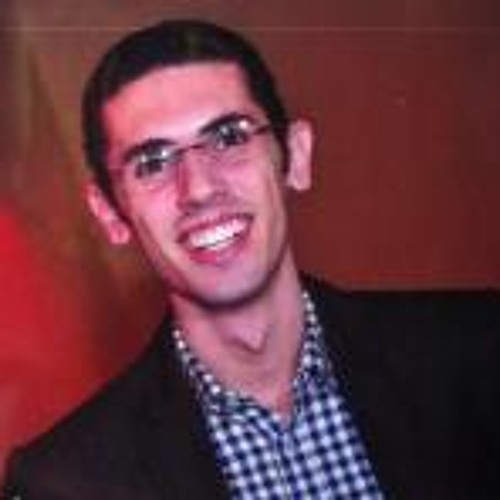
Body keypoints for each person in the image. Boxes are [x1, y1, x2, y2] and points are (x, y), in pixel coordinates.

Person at [2, 19, 500, 500]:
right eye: (152, 163)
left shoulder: (479, 355)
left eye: (229, 137)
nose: (199, 188)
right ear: (110, 213)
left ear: (295, 156)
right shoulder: (65, 484)